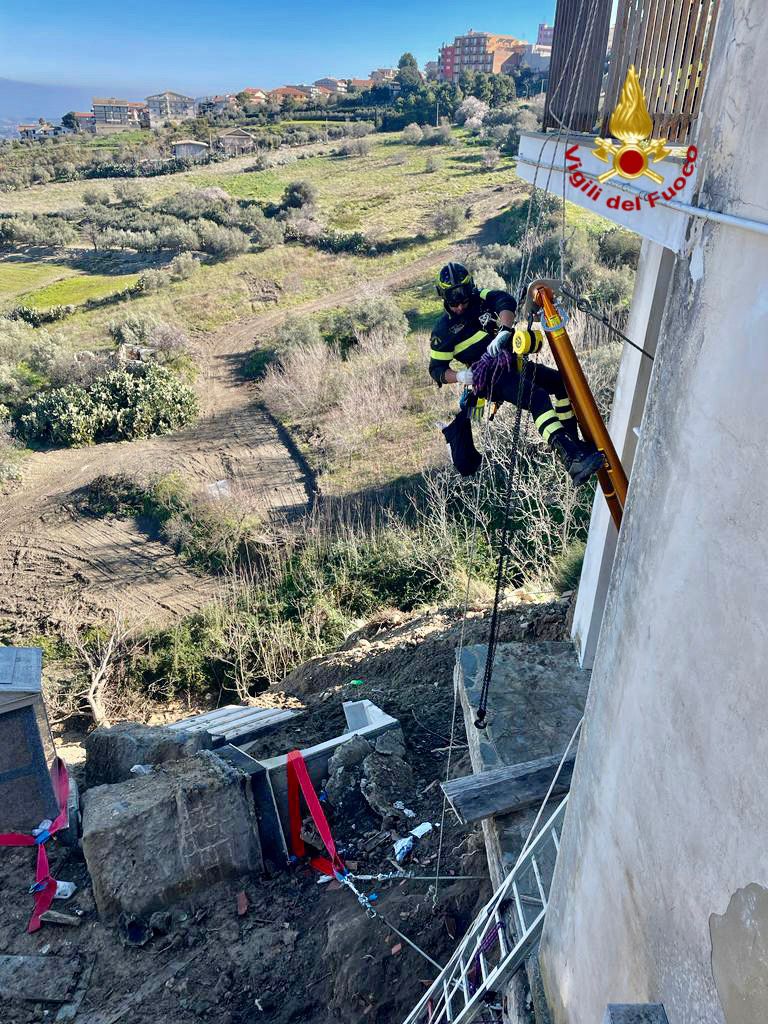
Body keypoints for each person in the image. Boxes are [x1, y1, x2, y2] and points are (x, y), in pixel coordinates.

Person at [429, 262, 605, 486]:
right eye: (454, 302)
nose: (460, 306)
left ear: (469, 289)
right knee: (537, 398)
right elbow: (437, 370)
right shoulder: (443, 331)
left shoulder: (480, 298)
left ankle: (573, 444)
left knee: (561, 384)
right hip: (491, 378)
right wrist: (461, 376)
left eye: (463, 299)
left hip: (513, 363)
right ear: (443, 297)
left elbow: (505, 301)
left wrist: (504, 330)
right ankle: (570, 458)